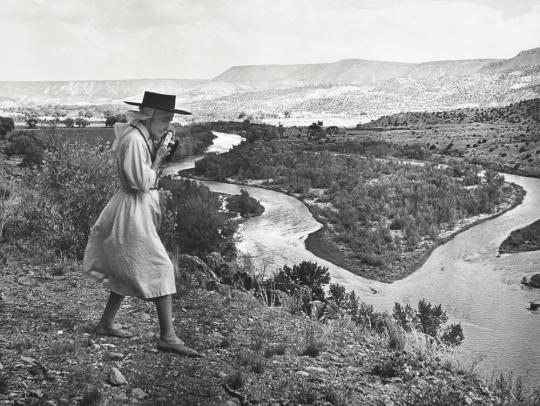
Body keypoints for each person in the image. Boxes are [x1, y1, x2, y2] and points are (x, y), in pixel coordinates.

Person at [82, 91, 200, 357]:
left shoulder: (141, 137)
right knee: (161, 266)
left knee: (126, 267)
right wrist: (158, 160)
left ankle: (105, 323)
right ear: (150, 115)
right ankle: (167, 337)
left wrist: (158, 154)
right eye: (165, 118)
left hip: (136, 210)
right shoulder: (135, 140)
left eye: (170, 119)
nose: (168, 124)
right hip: (132, 210)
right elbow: (139, 183)